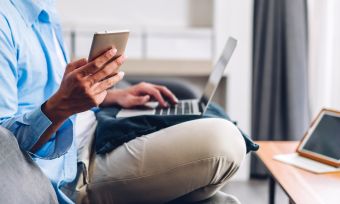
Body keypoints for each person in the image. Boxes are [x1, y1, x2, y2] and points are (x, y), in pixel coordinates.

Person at [0, 0, 248, 203]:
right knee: (224, 141)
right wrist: (63, 106)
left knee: (223, 195)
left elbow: (49, 93)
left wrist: (109, 97)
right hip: (73, 168)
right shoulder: (4, 21)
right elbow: (4, 149)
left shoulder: (44, 9)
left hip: (96, 129)